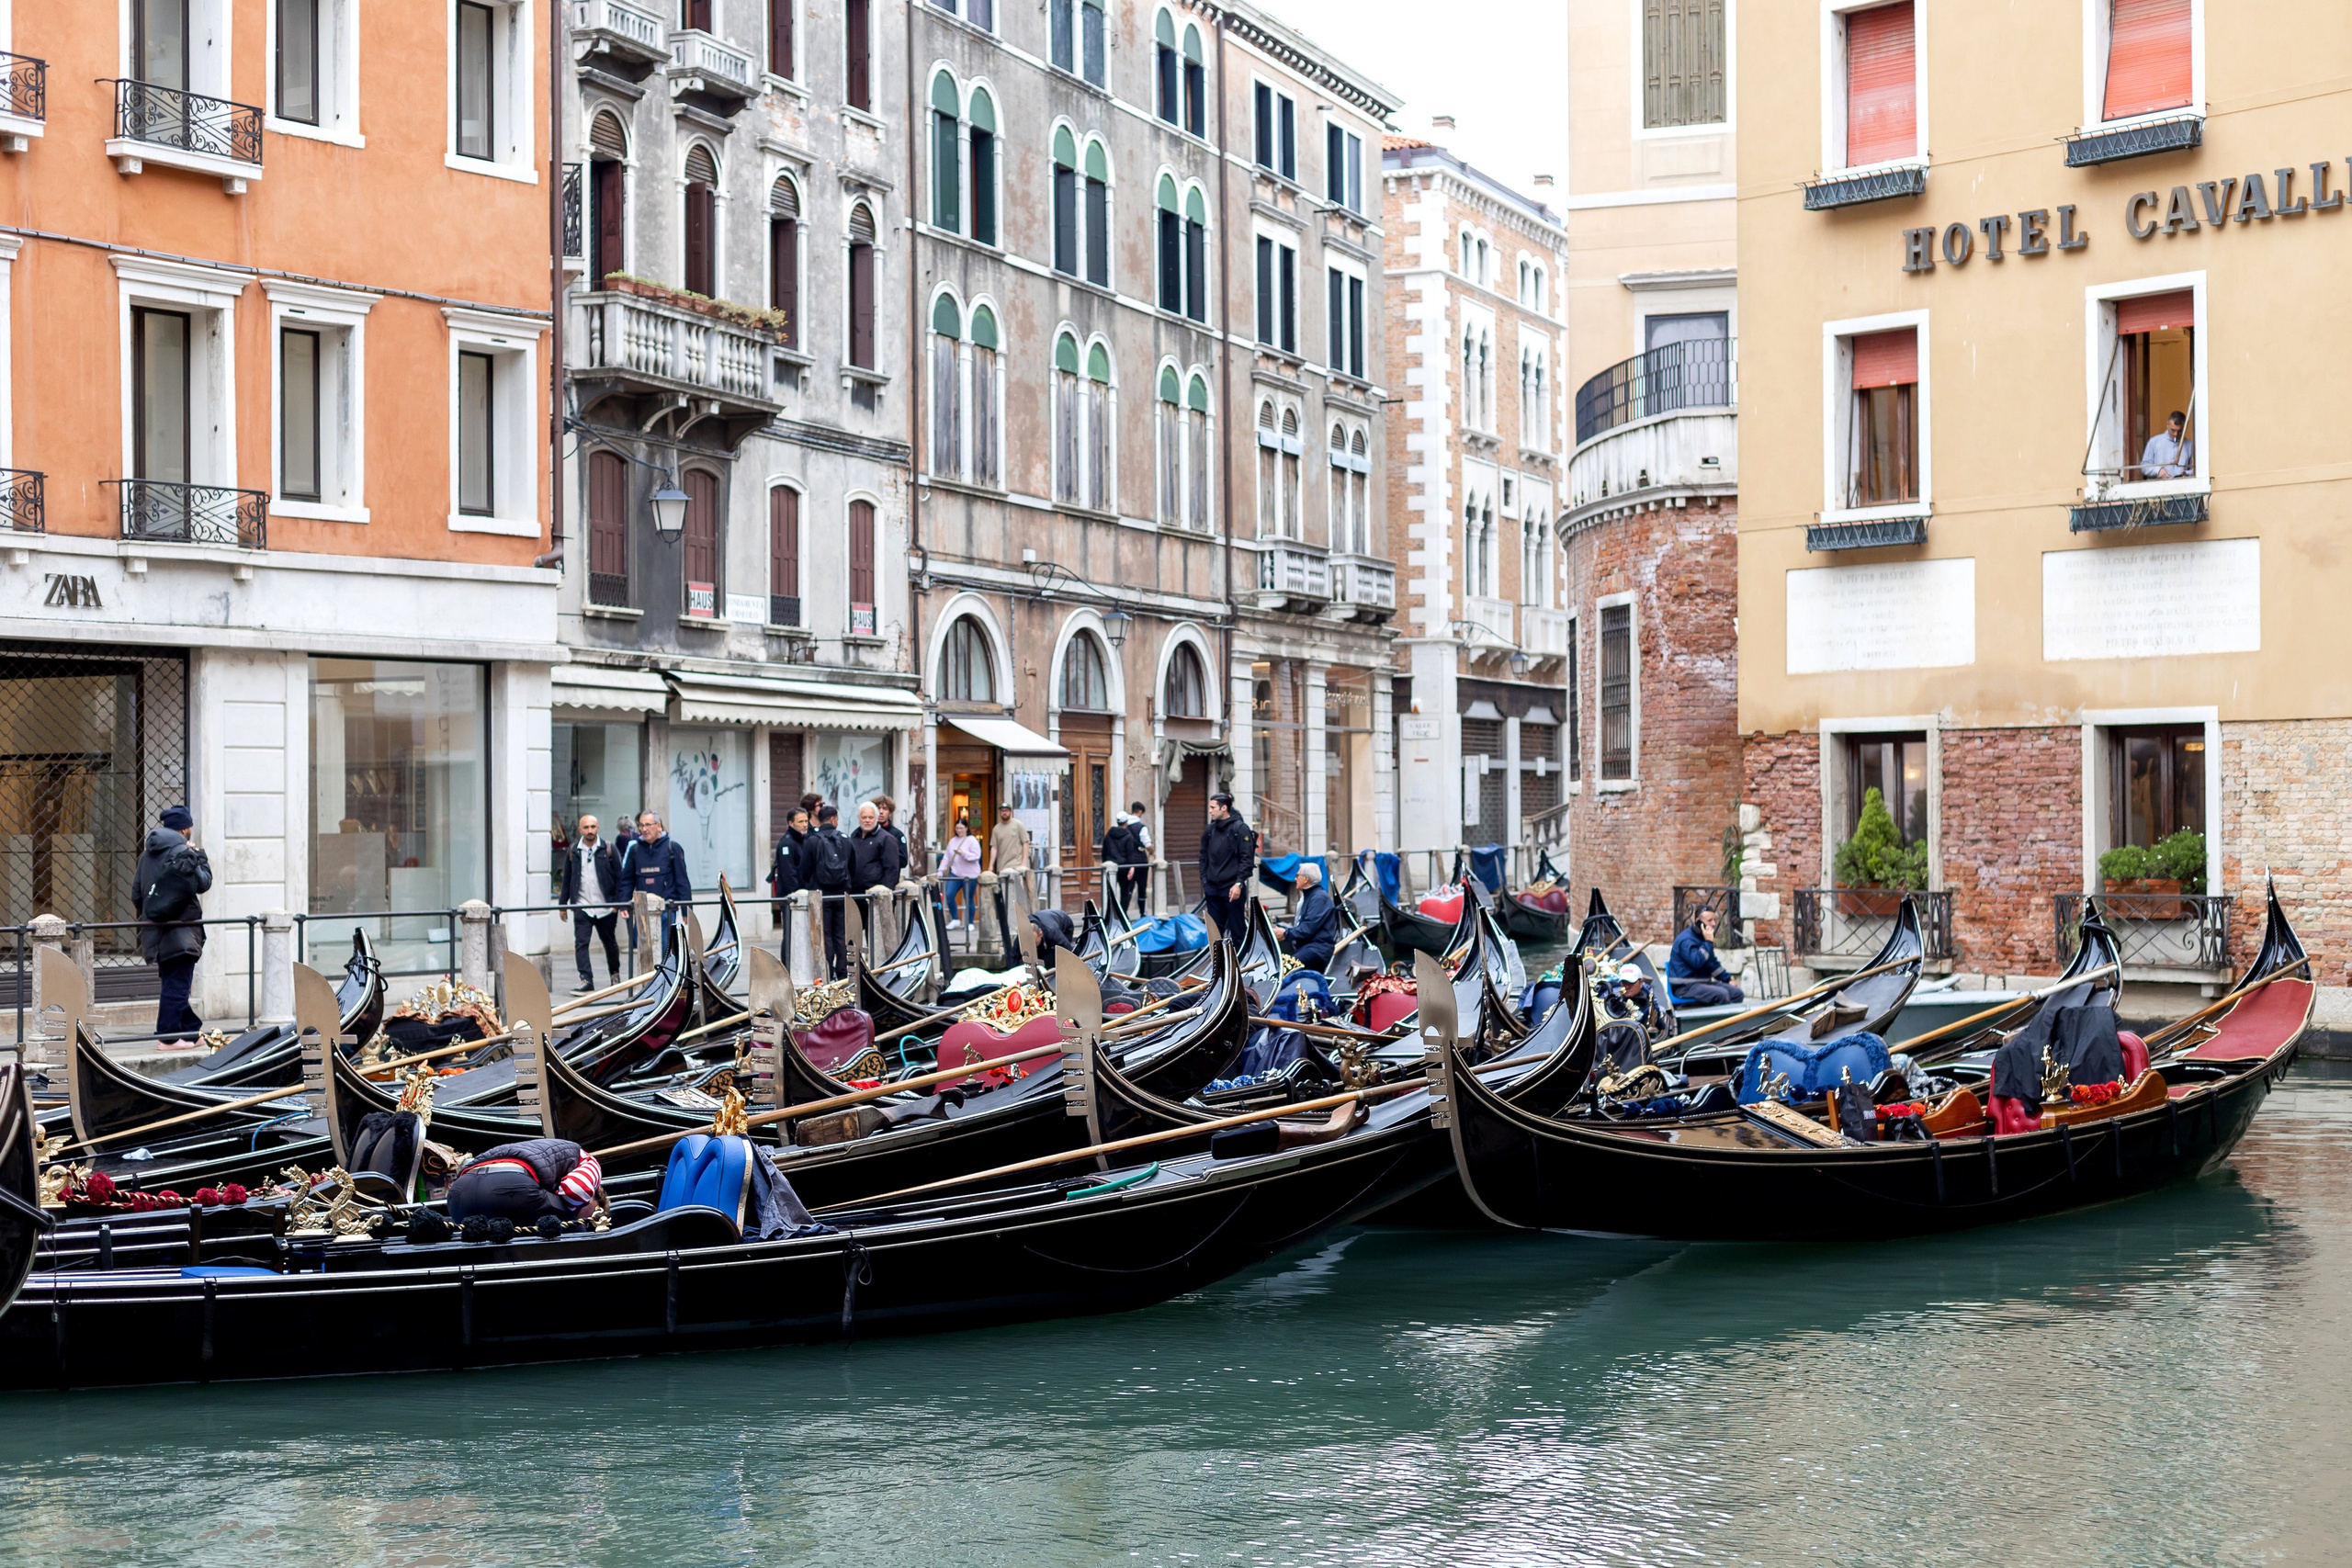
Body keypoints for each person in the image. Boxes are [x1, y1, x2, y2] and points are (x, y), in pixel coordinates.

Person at [132, 805, 211, 1043]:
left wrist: (153, 915)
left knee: (173, 982)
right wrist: (200, 856)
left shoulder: (146, 855)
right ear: (186, 828)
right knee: (177, 986)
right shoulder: (184, 852)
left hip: (155, 931)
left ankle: (190, 1030)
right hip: (182, 930)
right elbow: (204, 883)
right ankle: (167, 1039)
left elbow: (136, 894)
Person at [446, 1137, 604, 1225]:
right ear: (594, 1193)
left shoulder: (535, 1147)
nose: (588, 1220)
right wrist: (575, 1219)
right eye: (594, 1212)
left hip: (459, 1195)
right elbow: (576, 1191)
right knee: (573, 1229)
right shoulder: (587, 1159)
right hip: (510, 1187)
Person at [557, 814, 624, 990]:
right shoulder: (574, 851)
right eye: (586, 827)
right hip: (582, 905)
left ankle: (615, 974)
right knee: (581, 943)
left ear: (598, 828)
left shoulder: (608, 849)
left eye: (593, 827)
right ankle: (586, 979)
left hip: (606, 907)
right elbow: (567, 879)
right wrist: (563, 904)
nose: (590, 831)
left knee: (610, 943)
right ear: (580, 830)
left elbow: (620, 877)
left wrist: (618, 903)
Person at [624, 810, 693, 945]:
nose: (644, 829)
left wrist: (686, 910)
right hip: (642, 909)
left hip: (667, 909)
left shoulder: (672, 848)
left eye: (648, 825)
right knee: (643, 951)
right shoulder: (635, 850)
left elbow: (682, 881)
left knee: (665, 948)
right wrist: (623, 905)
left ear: (659, 826)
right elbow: (627, 880)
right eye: (642, 825)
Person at [804, 804, 854, 978]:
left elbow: (805, 870)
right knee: (841, 934)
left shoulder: (812, 841)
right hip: (841, 894)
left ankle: (826, 971)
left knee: (824, 934)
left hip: (820, 895)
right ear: (834, 819)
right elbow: (853, 867)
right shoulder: (846, 839)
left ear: (820, 820)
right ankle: (842, 972)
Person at [1199, 792, 1256, 944]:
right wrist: (1205, 882)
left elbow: (1247, 859)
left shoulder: (1240, 829)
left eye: (1213, 807)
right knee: (1215, 935)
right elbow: (1203, 857)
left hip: (1232, 890)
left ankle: (1240, 965)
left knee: (1237, 932)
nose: (1210, 811)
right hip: (1212, 889)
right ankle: (1219, 967)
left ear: (1224, 808)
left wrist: (1238, 883)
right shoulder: (1209, 830)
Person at [849, 801, 905, 953]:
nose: (867, 820)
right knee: (852, 933)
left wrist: (884, 893)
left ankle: (877, 964)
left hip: (875, 896)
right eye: (864, 817)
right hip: (855, 894)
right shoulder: (852, 837)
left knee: (875, 934)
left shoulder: (886, 839)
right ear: (859, 818)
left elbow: (892, 869)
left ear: (876, 818)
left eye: (871, 817)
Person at [1668, 907, 1745, 1008]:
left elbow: (1712, 964)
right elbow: (1696, 962)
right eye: (1710, 920)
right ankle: (1719, 1022)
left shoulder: (1703, 937)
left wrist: (1728, 980)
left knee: (1737, 993)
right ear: (1698, 922)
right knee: (1721, 994)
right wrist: (1708, 942)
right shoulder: (1686, 940)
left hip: (1702, 984)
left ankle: (1732, 1021)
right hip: (1684, 987)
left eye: (1714, 920)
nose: (1713, 924)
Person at [1280, 861, 1340, 970]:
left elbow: (1308, 928)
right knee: (1280, 963)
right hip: (1307, 948)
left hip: (1317, 950)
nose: (1295, 879)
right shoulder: (1310, 896)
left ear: (1306, 879)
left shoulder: (1319, 898)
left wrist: (1285, 933)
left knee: (1287, 968)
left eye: (1297, 876)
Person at [989, 803, 1033, 949]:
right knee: (1006, 901)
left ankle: (1019, 931)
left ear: (1011, 812)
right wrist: (990, 867)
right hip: (1003, 868)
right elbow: (994, 847)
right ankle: (1008, 932)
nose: (1005, 813)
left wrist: (1023, 863)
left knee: (1018, 900)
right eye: (1002, 811)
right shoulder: (996, 829)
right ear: (1000, 812)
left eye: (1007, 810)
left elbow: (1025, 843)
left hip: (1016, 868)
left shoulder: (1018, 825)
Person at [1100, 811, 1148, 917]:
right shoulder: (1128, 836)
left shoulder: (1109, 835)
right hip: (1124, 867)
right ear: (1126, 823)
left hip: (1110, 867)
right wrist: (1132, 867)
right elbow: (1130, 853)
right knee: (1125, 892)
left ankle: (1109, 914)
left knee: (1109, 891)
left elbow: (1104, 851)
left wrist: (1104, 864)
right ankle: (1122, 913)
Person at [940, 818, 982, 930]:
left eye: (961, 828)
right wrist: (940, 870)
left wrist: (963, 853)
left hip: (970, 875)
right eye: (957, 828)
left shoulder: (971, 840)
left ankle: (970, 923)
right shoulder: (953, 841)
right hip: (955, 873)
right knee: (949, 895)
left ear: (966, 828)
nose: (959, 830)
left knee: (969, 898)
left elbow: (976, 856)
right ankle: (955, 919)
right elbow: (946, 858)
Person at [2139, 410, 2194, 480]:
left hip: (2182, 487)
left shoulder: (2190, 445)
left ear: (2184, 428)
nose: (2176, 434)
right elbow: (2144, 467)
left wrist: (2187, 473)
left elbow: (2195, 470)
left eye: (2180, 431)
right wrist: (2158, 470)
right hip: (2159, 488)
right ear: (2167, 425)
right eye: (2173, 430)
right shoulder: (2154, 442)